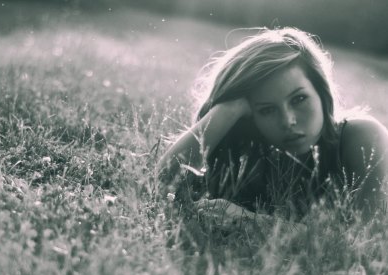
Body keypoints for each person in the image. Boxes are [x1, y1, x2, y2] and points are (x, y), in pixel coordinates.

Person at [157, 27, 388, 225]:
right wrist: (227, 111)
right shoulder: (256, 155)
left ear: (321, 92)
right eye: (267, 110)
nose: (288, 121)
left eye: (299, 99)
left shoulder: (363, 137)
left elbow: (364, 242)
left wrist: (251, 221)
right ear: (251, 118)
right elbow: (163, 185)